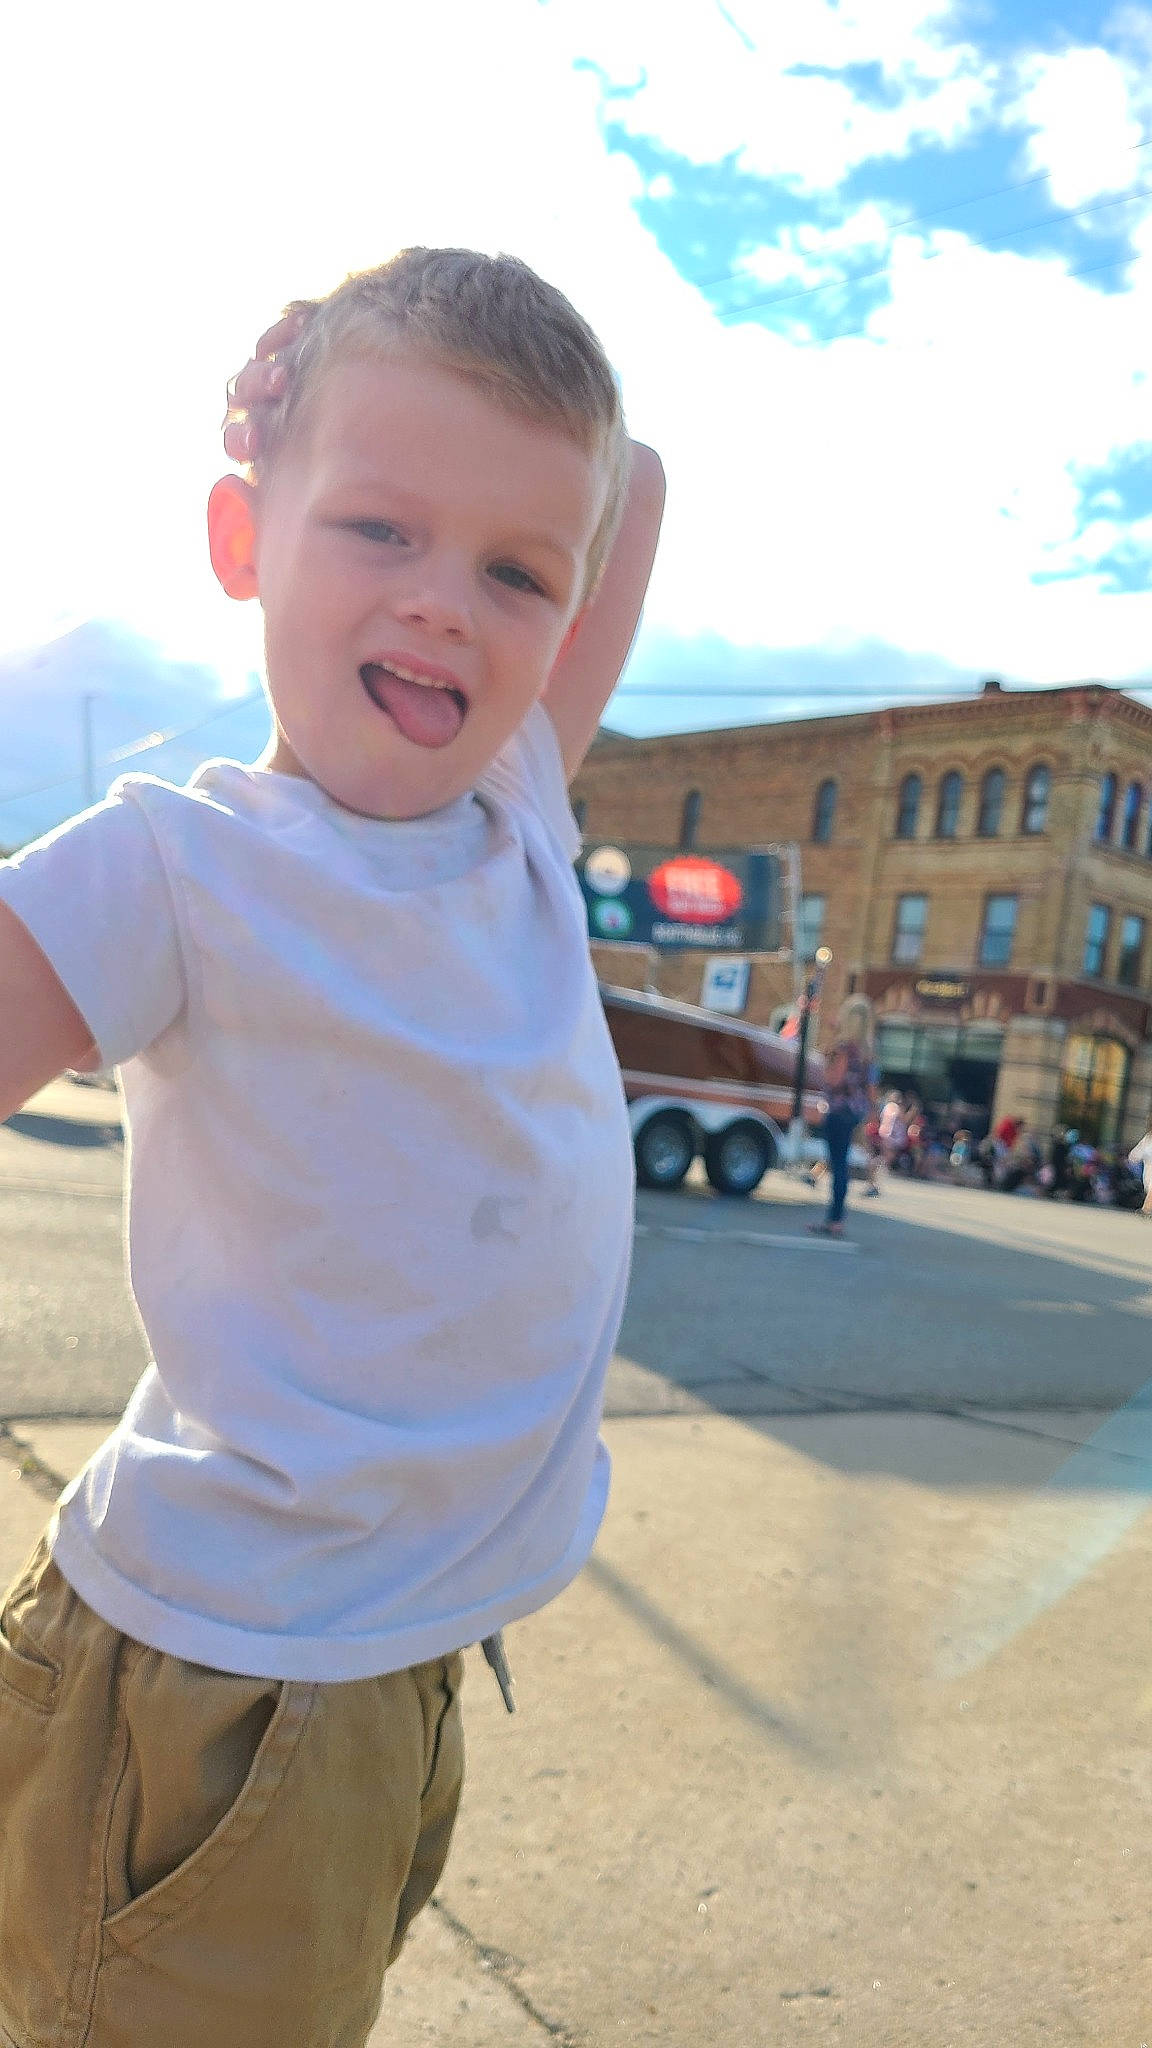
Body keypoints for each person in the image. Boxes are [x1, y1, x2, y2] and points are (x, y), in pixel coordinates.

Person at [0, 251, 666, 2048]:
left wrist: (372, 405)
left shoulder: (515, 799)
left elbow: (636, 484)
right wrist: (312, 379)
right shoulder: (176, 864)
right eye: (375, 527)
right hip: (222, 1685)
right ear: (244, 541)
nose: (447, 602)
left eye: (515, 569)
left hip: (388, 1669)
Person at [808, 996, 874, 1238]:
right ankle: (836, 1218)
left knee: (837, 1165)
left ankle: (834, 1219)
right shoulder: (867, 1052)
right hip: (854, 1111)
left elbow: (833, 1079)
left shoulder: (843, 1048)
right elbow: (870, 1087)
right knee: (841, 1164)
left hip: (838, 1110)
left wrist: (826, 1062)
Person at [1127, 1122, 1152, 1216]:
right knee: (1148, 1188)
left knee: (1151, 1188)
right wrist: (1133, 1158)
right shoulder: (1148, 1138)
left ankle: (1146, 1209)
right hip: (1148, 1167)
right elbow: (1137, 1152)